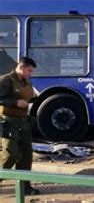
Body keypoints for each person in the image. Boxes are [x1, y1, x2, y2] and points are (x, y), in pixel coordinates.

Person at [0, 57, 39, 195]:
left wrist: (34, 98)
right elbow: (1, 98)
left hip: (24, 122)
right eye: (29, 70)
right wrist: (15, 103)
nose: (31, 73)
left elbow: (30, 96)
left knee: (26, 156)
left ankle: (24, 186)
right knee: (11, 154)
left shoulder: (25, 81)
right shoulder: (6, 80)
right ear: (21, 67)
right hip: (10, 122)